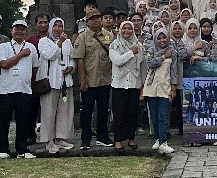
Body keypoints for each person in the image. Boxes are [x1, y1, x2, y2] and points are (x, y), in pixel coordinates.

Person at [0, 20, 39, 159]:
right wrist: (21, 55)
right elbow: (4, 64)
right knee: (3, 121)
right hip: (6, 89)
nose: (19, 32)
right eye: (16, 29)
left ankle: (22, 149)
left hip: (24, 90)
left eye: (22, 29)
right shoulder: (4, 46)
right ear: (11, 31)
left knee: (23, 121)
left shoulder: (31, 47)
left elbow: (35, 67)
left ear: (26, 32)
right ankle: (3, 149)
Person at [73, 10, 114, 148]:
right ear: (87, 21)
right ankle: (86, 138)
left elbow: (112, 56)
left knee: (103, 109)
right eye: (92, 18)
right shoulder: (82, 37)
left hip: (105, 79)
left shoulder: (109, 36)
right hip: (89, 80)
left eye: (98, 18)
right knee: (87, 110)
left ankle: (103, 136)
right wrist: (82, 79)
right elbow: (79, 59)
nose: (96, 20)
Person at [37, 18, 75, 154]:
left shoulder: (68, 42)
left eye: (60, 26)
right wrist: (59, 43)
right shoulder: (44, 41)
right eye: (55, 26)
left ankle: (61, 137)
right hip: (51, 80)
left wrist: (71, 67)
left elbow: (72, 58)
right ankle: (49, 140)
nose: (57, 29)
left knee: (65, 110)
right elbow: (50, 55)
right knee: (48, 110)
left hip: (65, 80)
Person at [109, 20, 144, 152]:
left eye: (129, 29)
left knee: (132, 112)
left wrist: (141, 86)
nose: (127, 31)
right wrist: (131, 52)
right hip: (119, 84)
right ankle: (118, 140)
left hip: (134, 83)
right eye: (124, 29)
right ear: (120, 30)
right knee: (119, 113)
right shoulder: (115, 44)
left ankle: (131, 138)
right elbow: (117, 61)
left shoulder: (138, 45)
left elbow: (141, 64)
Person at [143, 28, 178, 154]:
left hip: (165, 86)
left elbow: (174, 70)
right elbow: (150, 63)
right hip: (152, 87)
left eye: (164, 38)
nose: (162, 40)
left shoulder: (172, 52)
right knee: (154, 116)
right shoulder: (151, 50)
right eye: (159, 38)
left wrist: (174, 87)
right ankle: (158, 138)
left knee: (163, 116)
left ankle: (164, 141)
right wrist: (163, 56)